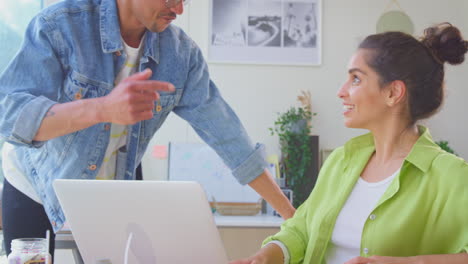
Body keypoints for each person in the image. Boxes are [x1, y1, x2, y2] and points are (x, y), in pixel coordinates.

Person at [0, 0, 296, 260]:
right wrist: (102, 108)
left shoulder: (181, 56)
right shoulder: (60, 25)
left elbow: (231, 139)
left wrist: (292, 217)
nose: (178, 9)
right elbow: (10, 115)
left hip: (103, 194)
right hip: (33, 186)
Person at [231, 23, 468, 264]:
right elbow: (301, 229)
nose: (341, 91)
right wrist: (265, 257)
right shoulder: (341, 160)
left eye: (355, 79)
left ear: (393, 93)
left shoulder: (452, 176)